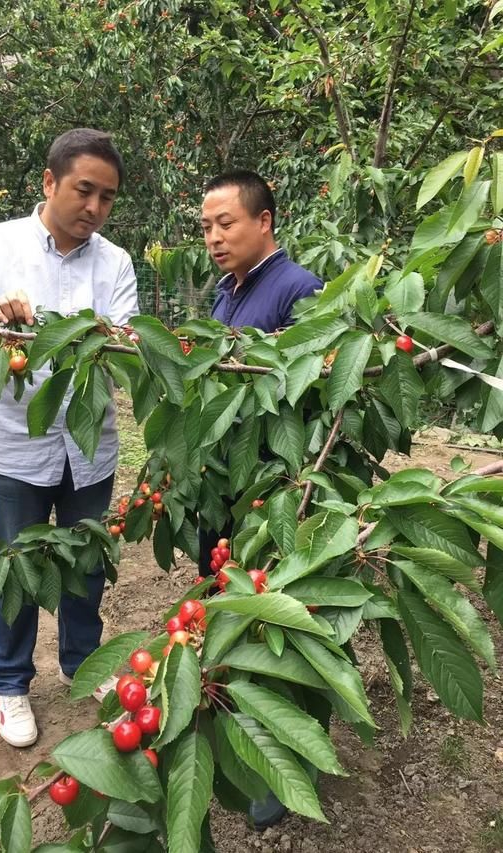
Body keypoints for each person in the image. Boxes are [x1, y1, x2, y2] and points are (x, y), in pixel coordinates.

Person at [0, 129, 138, 748]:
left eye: (107, 198)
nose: (95, 210)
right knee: (18, 564)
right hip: (15, 447)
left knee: (84, 566)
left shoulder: (118, 263)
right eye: (84, 191)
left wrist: (111, 341)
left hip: (90, 448)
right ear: (49, 183)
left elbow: (126, 345)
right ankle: (10, 682)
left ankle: (85, 664)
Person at [199, 169, 321, 828]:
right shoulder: (226, 292)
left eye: (226, 223)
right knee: (226, 611)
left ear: (264, 221)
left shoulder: (299, 290)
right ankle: (236, 737)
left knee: (274, 624)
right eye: (207, 227)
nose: (215, 237)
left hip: (272, 492)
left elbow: (316, 393)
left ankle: (283, 766)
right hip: (226, 484)